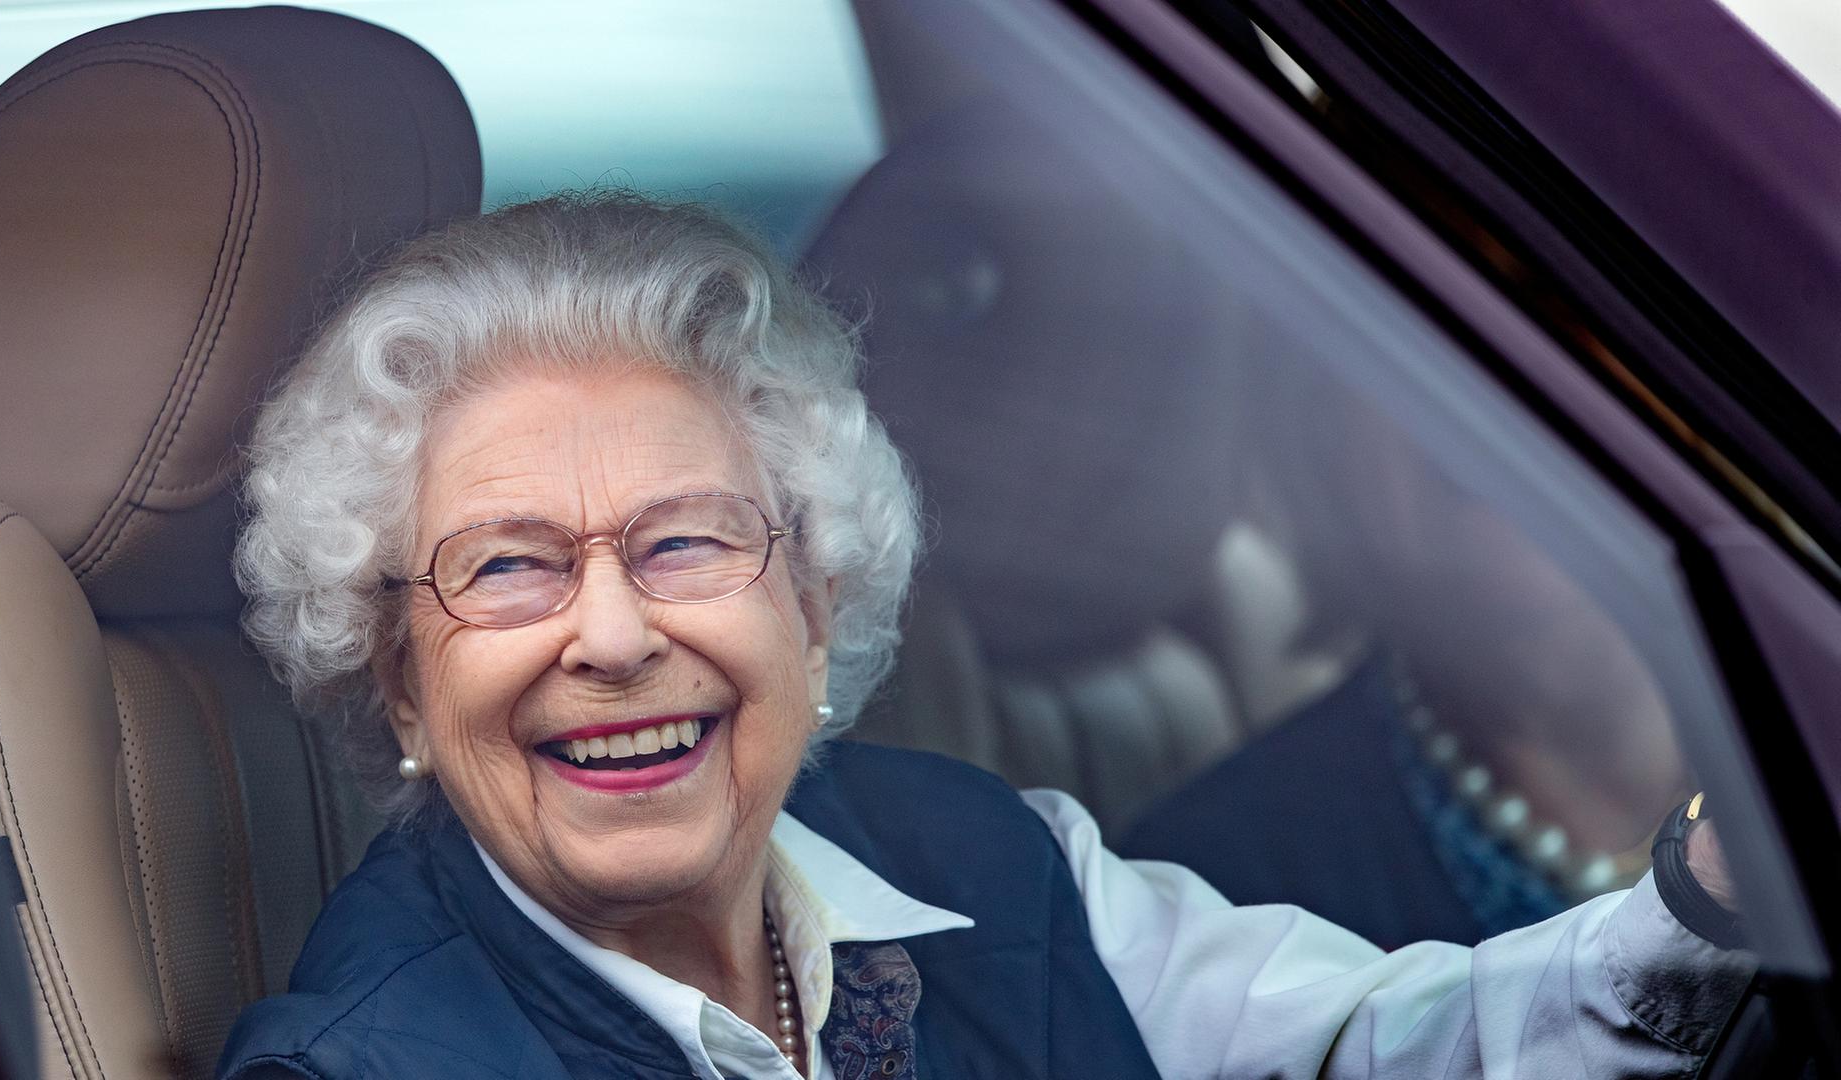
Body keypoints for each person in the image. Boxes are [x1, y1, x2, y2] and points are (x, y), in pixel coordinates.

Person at [218, 193, 1753, 1080]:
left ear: (814, 605)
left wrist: (1715, 889)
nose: (613, 634)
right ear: (401, 681)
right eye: (507, 567)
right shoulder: (361, 1070)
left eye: (686, 540)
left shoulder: (983, 862)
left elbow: (1385, 1050)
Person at [1125, 386, 1698, 949]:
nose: (1488, 409)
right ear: (1321, 434)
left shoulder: (1760, 722)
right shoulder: (1213, 905)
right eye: (1428, 363)